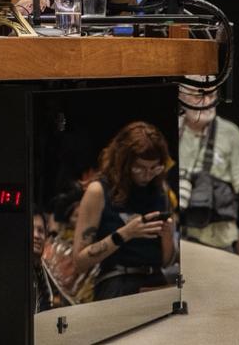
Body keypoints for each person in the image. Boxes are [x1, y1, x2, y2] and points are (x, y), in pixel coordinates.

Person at [74, 121, 177, 300]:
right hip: (117, 283)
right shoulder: (99, 191)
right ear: (123, 163)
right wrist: (125, 234)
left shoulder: (161, 191)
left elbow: (166, 261)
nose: (147, 174)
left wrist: (168, 235)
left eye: (154, 168)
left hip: (156, 282)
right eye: (139, 168)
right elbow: (80, 262)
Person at [176, 83, 239, 257]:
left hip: (217, 239)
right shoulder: (175, 128)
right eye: (198, 95)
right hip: (179, 237)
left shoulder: (230, 133)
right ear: (182, 97)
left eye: (211, 95)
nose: (206, 101)